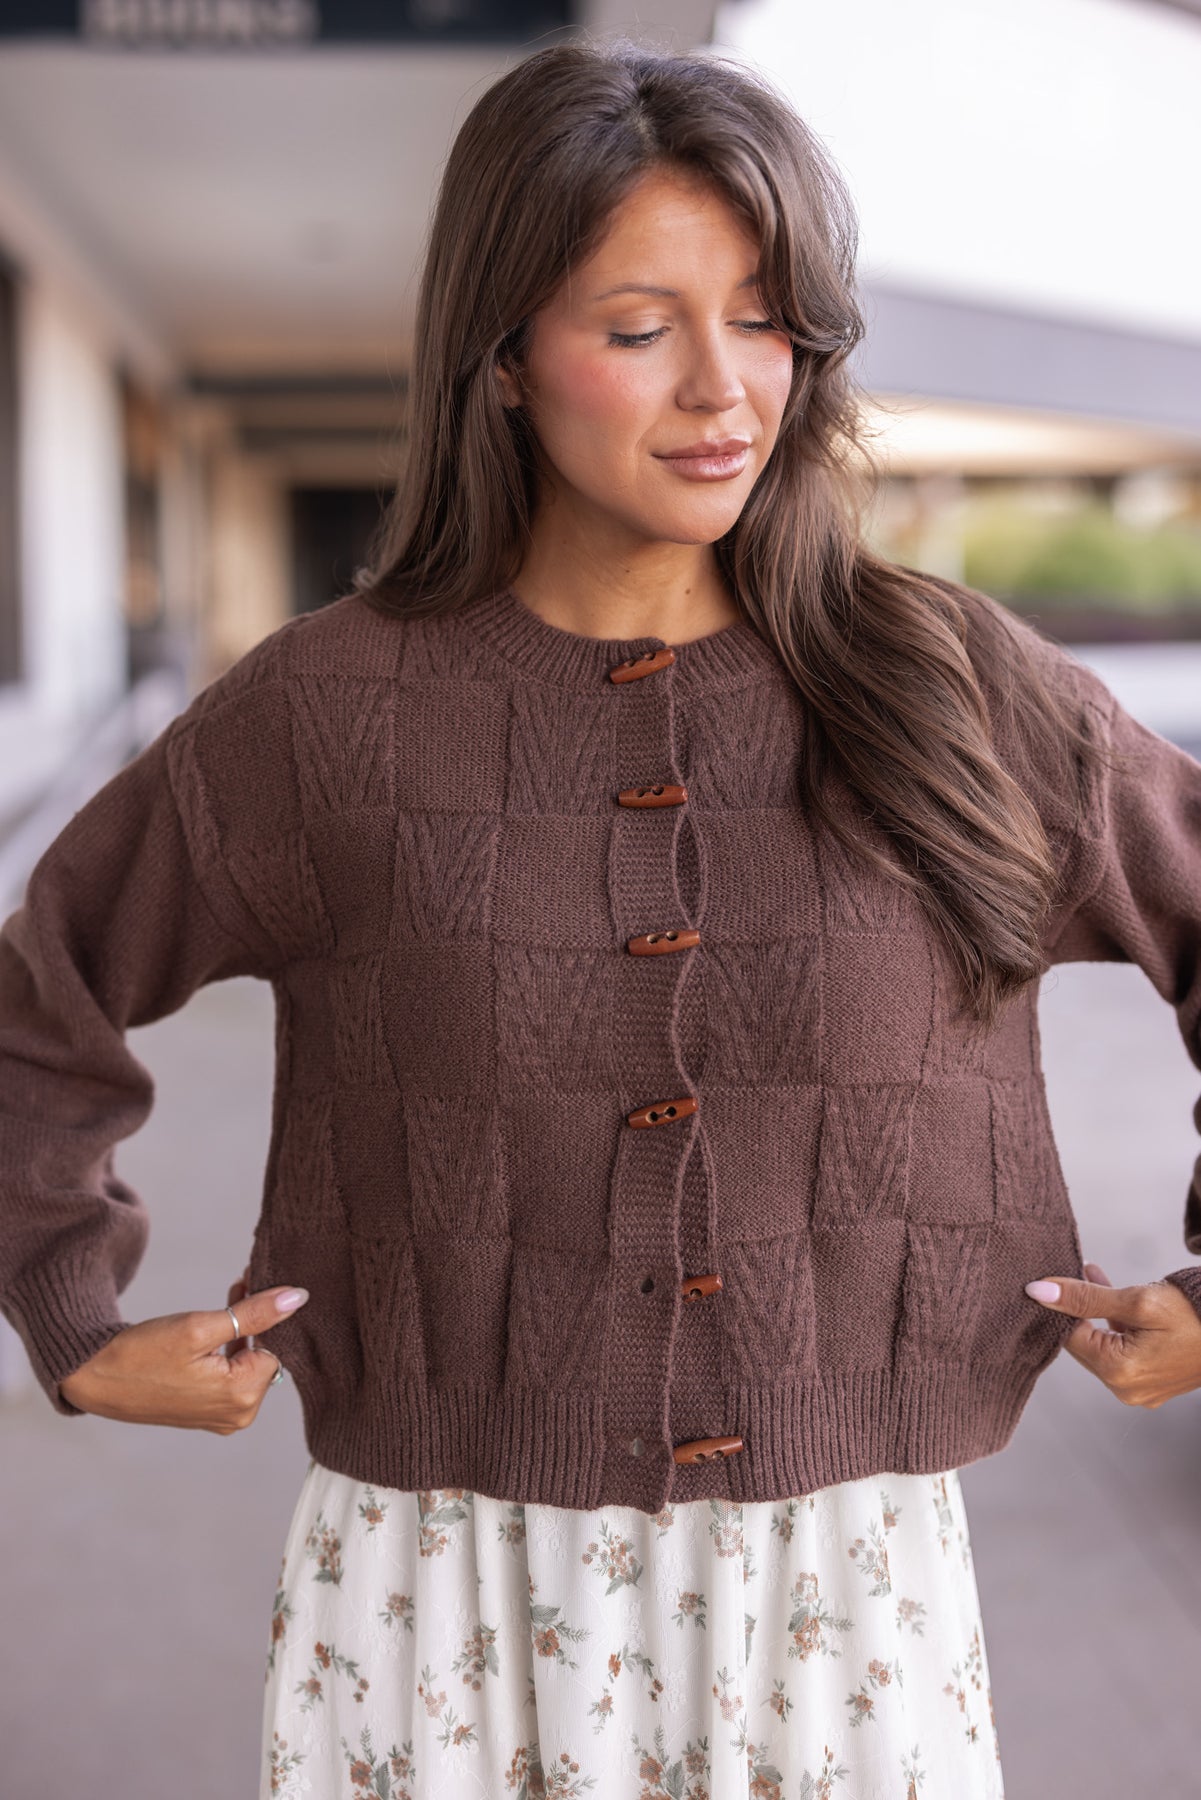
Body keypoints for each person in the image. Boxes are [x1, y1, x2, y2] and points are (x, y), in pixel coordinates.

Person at [3, 37, 1201, 1800]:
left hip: (841, 1611)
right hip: (439, 1600)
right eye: (638, 329)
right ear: (500, 359)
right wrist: (70, 1313)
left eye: (766, 319)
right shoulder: (326, 720)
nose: (724, 389)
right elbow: (37, 998)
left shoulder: (953, 687)